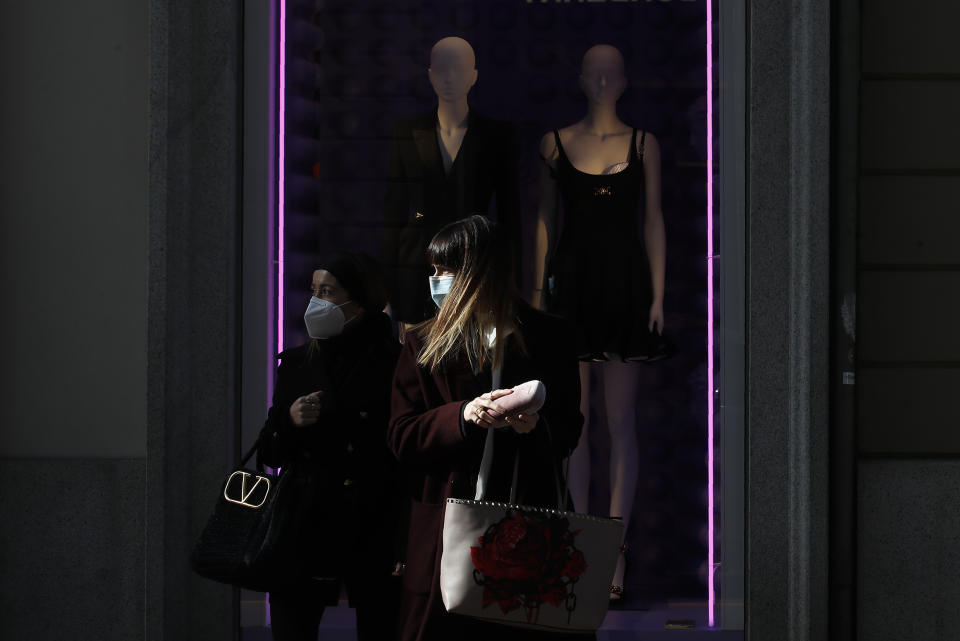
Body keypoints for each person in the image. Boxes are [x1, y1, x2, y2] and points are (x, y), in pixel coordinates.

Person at [387, 215, 590, 641]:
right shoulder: (422, 343)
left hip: (529, 522)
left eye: (444, 270)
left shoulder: (549, 336)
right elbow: (401, 435)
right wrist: (463, 415)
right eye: (433, 270)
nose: (436, 280)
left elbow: (569, 429)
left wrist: (533, 426)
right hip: (449, 524)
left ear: (477, 271)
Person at [532, 44, 669, 600]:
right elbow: (543, 220)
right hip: (572, 289)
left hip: (624, 289)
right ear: (583, 79)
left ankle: (613, 550)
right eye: (596, 71)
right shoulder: (555, 143)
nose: (605, 79)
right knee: (577, 424)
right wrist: (537, 293)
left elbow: (653, 219)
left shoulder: (644, 145)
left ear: (625, 79)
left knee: (620, 420)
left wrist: (658, 297)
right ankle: (580, 543)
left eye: (613, 71)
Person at [257, 251, 402, 641]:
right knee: (294, 626)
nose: (316, 301)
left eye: (328, 291)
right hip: (306, 521)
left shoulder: (396, 362)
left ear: (360, 301)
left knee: (381, 624)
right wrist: (289, 421)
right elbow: (269, 453)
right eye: (313, 291)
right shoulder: (299, 362)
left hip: (373, 521)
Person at [381, 36, 520, 325]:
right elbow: (392, 214)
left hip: (475, 260)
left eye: (458, 69)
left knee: (471, 356)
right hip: (416, 263)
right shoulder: (407, 132)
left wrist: (510, 286)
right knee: (418, 357)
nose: (449, 77)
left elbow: (510, 216)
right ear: (430, 75)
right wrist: (385, 291)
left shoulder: (497, 136)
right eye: (441, 69)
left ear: (474, 76)